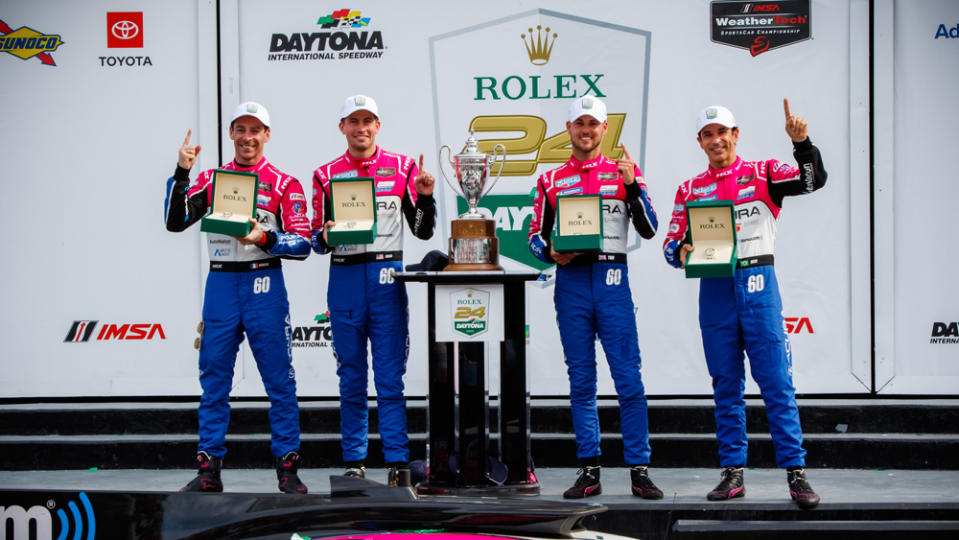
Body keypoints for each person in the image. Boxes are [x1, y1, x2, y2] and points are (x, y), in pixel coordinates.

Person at [662, 100, 827, 509]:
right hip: (715, 288)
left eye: (722, 132)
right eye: (708, 134)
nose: (716, 140)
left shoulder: (765, 171)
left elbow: (812, 181)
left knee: (776, 384)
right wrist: (681, 251)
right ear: (700, 142)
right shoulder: (690, 188)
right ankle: (733, 473)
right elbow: (670, 244)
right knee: (726, 386)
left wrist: (801, 143)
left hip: (758, 283)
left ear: (736, 135)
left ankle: (796, 474)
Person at [165, 101, 311, 494]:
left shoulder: (284, 183)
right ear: (231, 133)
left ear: (267, 135)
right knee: (214, 378)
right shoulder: (211, 179)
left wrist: (263, 236)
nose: (248, 138)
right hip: (222, 284)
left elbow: (304, 243)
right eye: (241, 129)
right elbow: (174, 221)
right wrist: (182, 171)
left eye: (256, 130)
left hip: (265, 284)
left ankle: (288, 469)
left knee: (279, 380)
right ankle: (208, 470)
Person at [527, 96, 662, 499]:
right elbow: (534, 237)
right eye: (579, 124)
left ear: (605, 130)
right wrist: (550, 251)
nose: (586, 130)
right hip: (570, 284)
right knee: (581, 381)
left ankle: (639, 469)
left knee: (629, 380)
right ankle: (589, 469)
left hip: (612, 279)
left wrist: (632, 185)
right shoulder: (550, 180)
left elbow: (651, 228)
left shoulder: (624, 173)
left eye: (593, 124)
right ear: (568, 129)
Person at [310, 94, 436, 484]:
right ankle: (355, 462)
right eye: (353, 121)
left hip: (386, 278)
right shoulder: (324, 173)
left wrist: (426, 198)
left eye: (368, 121)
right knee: (350, 376)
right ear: (342, 127)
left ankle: (397, 461)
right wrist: (325, 234)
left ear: (377, 125)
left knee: (389, 377)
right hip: (345, 277)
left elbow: (421, 228)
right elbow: (316, 238)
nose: (361, 128)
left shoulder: (402, 167)